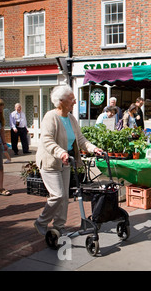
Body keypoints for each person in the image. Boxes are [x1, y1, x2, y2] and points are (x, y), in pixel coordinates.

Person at [34, 85, 103, 236]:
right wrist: (61, 153)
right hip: (50, 162)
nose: (75, 101)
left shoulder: (71, 118)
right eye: (71, 99)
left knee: (64, 197)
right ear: (61, 101)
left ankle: (59, 226)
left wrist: (93, 148)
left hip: (65, 162)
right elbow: (47, 140)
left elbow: (80, 139)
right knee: (57, 195)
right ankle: (41, 221)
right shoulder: (50, 117)